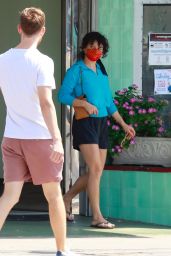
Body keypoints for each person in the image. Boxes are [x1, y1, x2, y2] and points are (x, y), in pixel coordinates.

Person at [0, 7, 77, 256]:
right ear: (42, 31)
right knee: (53, 196)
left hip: (11, 136)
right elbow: (46, 102)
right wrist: (57, 139)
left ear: (20, 28)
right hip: (40, 138)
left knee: (9, 196)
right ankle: (62, 250)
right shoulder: (43, 61)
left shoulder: (2, 59)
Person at [58, 31, 135, 228]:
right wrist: (82, 104)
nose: (96, 50)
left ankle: (66, 198)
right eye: (92, 46)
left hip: (101, 124)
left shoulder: (101, 71)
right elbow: (62, 95)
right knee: (95, 169)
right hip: (85, 123)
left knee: (97, 171)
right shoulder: (76, 70)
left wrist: (124, 124)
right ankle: (97, 217)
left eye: (100, 47)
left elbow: (109, 103)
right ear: (84, 48)